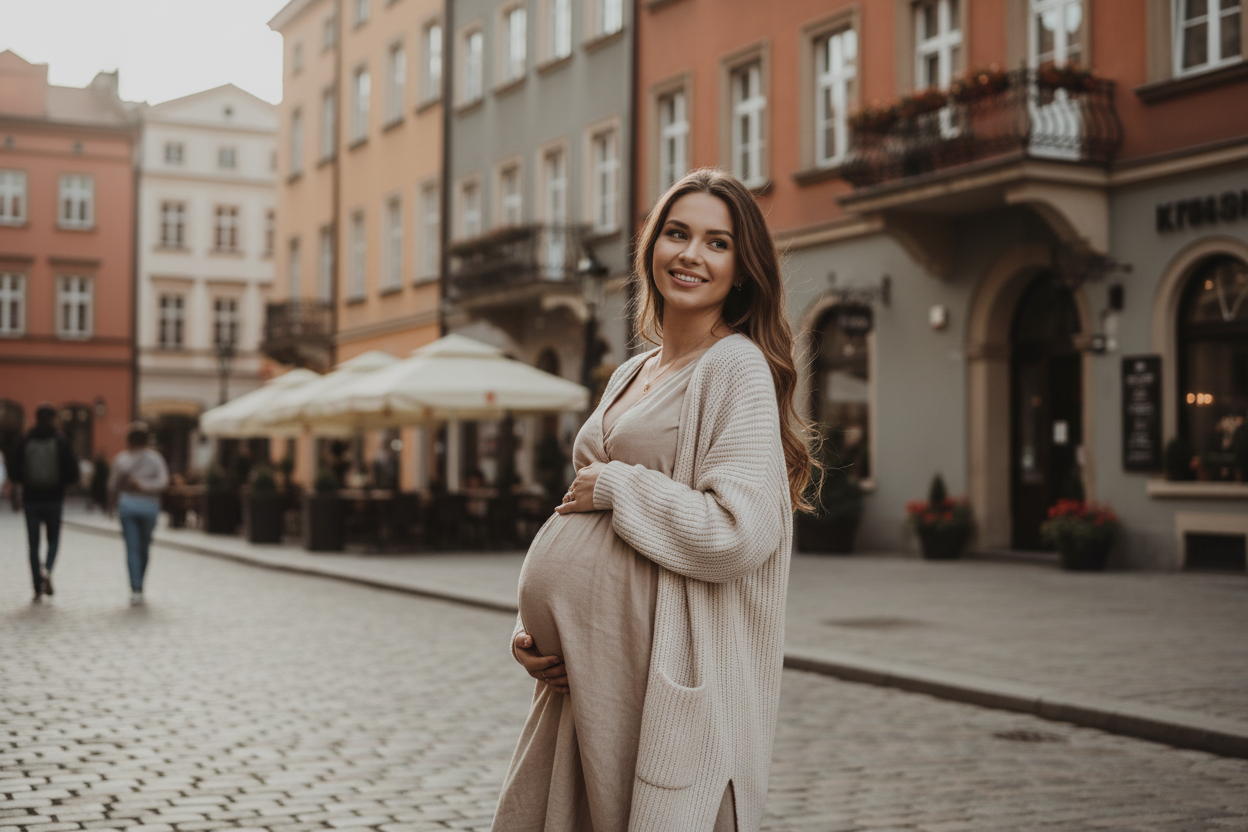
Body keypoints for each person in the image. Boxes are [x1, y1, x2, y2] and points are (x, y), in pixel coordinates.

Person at [492, 169, 815, 832]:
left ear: (741, 269)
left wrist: (618, 484)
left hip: (660, 687)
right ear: (651, 248)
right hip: (585, 687)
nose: (691, 254)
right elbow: (581, 523)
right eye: (677, 233)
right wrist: (532, 632)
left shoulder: (736, 367)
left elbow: (740, 531)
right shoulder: (632, 371)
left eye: (716, 242)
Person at [9, 404, 80, 603]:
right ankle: (47, 569)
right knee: (54, 539)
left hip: (31, 498)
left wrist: (20, 487)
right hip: (54, 498)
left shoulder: (25, 439)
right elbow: (73, 472)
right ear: (54, 419)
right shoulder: (61, 441)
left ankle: (37, 586)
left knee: (33, 544)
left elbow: (14, 470)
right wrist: (61, 482)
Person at [109, 423, 170, 605]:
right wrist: (146, 486)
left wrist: (115, 501)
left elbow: (112, 485)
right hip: (149, 506)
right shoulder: (155, 459)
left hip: (127, 505)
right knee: (144, 548)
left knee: (132, 548)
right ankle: (139, 585)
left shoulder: (122, 459)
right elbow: (163, 482)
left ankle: (136, 587)